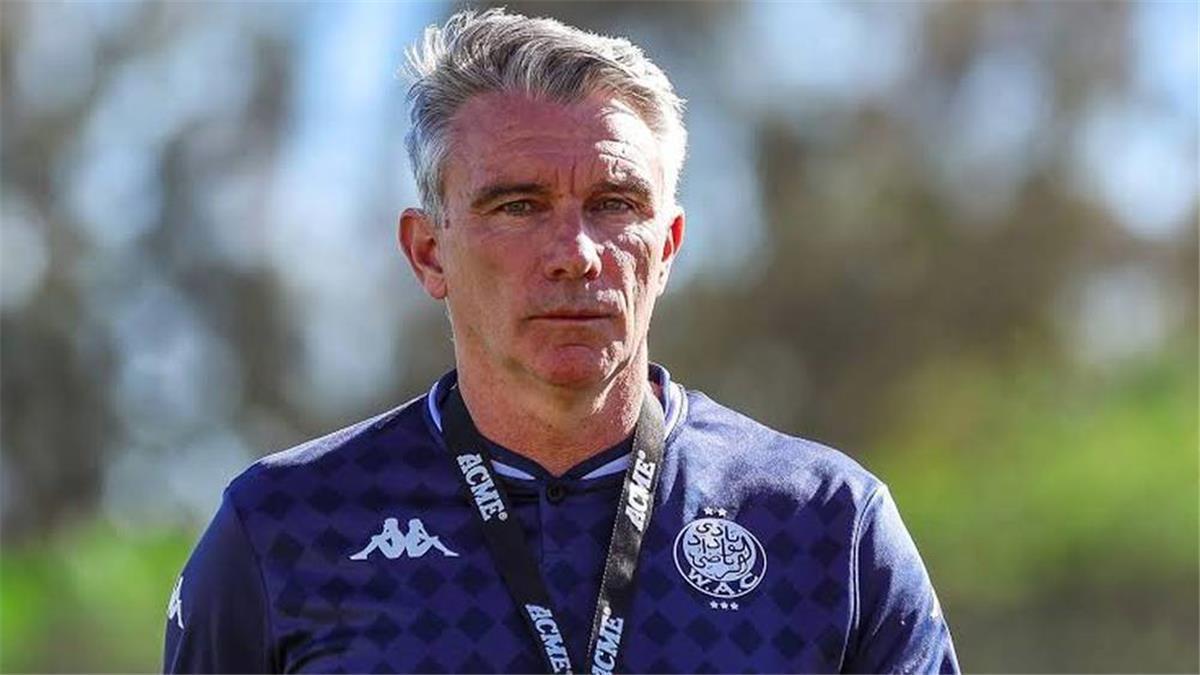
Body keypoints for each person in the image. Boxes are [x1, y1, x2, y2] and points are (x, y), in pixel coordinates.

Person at [163, 8, 959, 674]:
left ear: (668, 247)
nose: (575, 253)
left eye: (615, 204)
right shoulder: (286, 528)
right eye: (518, 206)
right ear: (429, 252)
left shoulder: (826, 526)